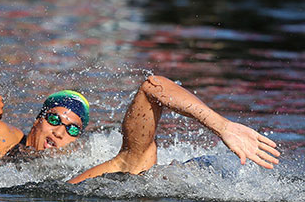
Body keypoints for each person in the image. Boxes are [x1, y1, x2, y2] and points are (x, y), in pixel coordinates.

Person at [67, 75, 280, 183]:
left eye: (73, 130)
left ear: (79, 139)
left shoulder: (118, 166)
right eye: (54, 120)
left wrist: (223, 127)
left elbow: (152, 85)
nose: (60, 132)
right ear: (38, 119)